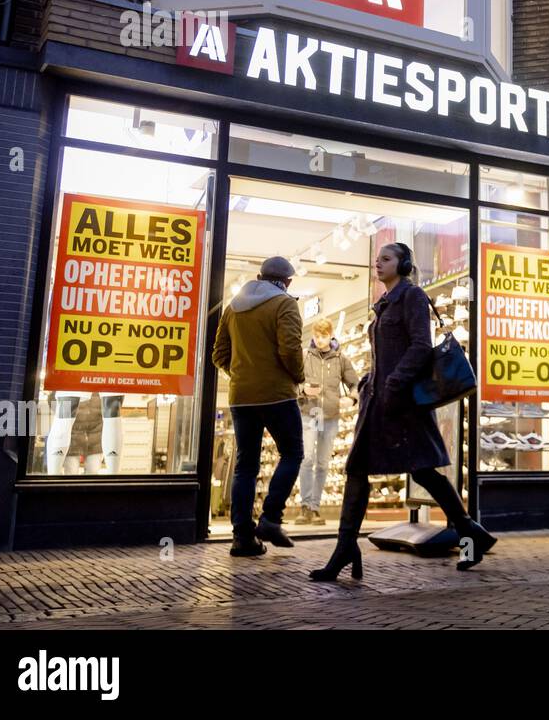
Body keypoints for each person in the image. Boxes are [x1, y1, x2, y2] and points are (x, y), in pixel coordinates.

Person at [311, 242, 496, 581]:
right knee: (358, 468)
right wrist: (370, 379)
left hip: (401, 402)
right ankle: (345, 548)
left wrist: (394, 382)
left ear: (404, 263)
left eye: (386, 258)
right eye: (377, 258)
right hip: (380, 400)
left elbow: (421, 346)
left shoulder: (411, 297)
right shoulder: (384, 304)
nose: (378, 263)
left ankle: (470, 533)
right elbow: (387, 352)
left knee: (423, 471)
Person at [212, 255, 306, 557]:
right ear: (287, 281)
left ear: (259, 276)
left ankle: (242, 537)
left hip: (241, 397)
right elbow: (290, 349)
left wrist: (240, 374)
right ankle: (270, 518)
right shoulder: (284, 304)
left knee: (245, 466)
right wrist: (299, 378)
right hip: (278, 394)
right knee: (292, 453)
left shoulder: (233, 308)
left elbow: (219, 354)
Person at [297, 317, 359, 525]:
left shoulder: (340, 358)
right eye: (317, 336)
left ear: (331, 335)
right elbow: (291, 382)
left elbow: (355, 383)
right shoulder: (305, 357)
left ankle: (315, 507)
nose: (320, 340)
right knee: (306, 459)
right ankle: (305, 506)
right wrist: (302, 390)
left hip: (331, 415)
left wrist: (351, 398)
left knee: (323, 463)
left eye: (324, 336)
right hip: (310, 412)